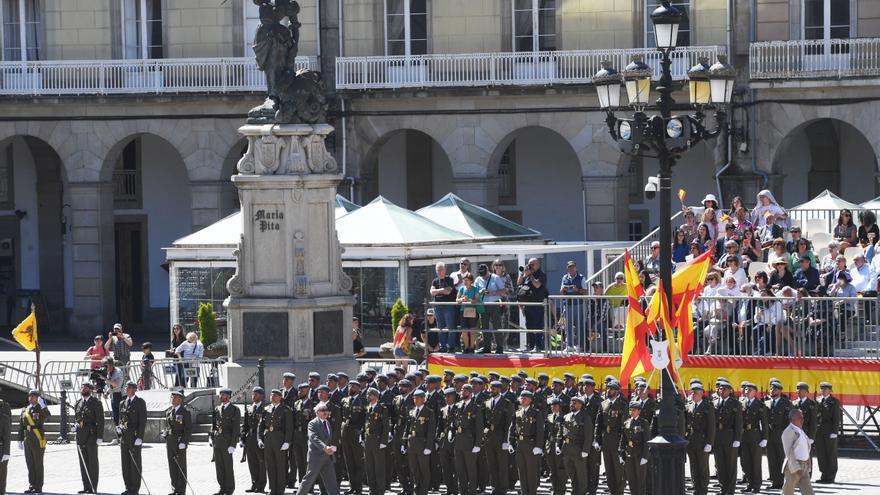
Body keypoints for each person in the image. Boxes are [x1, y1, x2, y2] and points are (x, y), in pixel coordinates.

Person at [295, 403, 341, 495]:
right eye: (322, 410)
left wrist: (332, 446)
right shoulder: (312, 423)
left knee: (331, 481)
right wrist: (324, 447)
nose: (325, 412)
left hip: (327, 457)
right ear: (317, 412)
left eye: (326, 410)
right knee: (308, 480)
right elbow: (314, 438)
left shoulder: (327, 422)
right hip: (315, 457)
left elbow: (328, 438)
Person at [508, 390, 543, 495]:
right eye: (521, 398)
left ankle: (532, 492)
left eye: (525, 398)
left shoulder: (536, 413)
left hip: (530, 444)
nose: (522, 400)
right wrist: (510, 442)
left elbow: (540, 430)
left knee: (531, 472)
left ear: (530, 400)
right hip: (519, 445)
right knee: (521, 471)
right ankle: (524, 492)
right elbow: (512, 428)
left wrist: (538, 446)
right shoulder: (517, 412)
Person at [262, 388, 294, 495]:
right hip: (268, 440)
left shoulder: (286, 410)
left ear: (280, 397)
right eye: (271, 395)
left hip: (280, 440)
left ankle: (280, 489)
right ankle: (273, 488)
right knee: (270, 465)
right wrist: (259, 438)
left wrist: (287, 441)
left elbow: (289, 427)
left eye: (275, 395)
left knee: (280, 465)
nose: (273, 397)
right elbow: (260, 426)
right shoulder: (266, 409)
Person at [559, 395, 592, 495]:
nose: (572, 405)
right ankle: (575, 491)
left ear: (580, 405)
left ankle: (581, 492)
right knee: (572, 474)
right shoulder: (567, 416)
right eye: (571, 403)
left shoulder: (585, 417)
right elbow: (562, 433)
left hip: (578, 450)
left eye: (574, 403)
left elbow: (588, 435)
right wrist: (559, 445)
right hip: (567, 449)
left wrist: (585, 450)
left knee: (581, 475)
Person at [685, 382, 715, 495]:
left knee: (702, 467)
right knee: (693, 466)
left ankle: (703, 489)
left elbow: (711, 427)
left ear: (701, 393)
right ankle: (696, 488)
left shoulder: (707, 407)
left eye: (695, 392)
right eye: (691, 392)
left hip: (702, 441)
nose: (693, 394)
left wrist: (709, 443)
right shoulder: (689, 406)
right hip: (691, 441)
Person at [74, 382, 103, 494]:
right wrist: (75, 425)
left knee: (92, 462)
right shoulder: (78, 403)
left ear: (90, 390)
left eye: (85, 387)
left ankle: (93, 486)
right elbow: (77, 418)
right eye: (81, 387)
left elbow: (100, 421)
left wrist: (100, 436)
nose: (83, 389)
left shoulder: (95, 403)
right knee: (83, 462)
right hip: (81, 435)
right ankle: (86, 486)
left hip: (91, 435)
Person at [714, 380, 743, 495]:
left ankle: (730, 490)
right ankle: (723, 488)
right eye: (720, 388)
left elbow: (739, 423)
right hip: (718, 437)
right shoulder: (715, 402)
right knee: (720, 464)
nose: (722, 391)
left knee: (730, 465)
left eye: (724, 388)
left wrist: (737, 439)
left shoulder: (735, 403)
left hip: (730, 437)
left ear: (730, 390)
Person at [118, 381, 147, 495]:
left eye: (129, 387)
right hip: (124, 436)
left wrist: (140, 437)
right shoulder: (122, 403)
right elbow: (121, 419)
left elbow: (143, 420)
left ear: (134, 389)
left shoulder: (139, 402)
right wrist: (119, 428)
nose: (126, 389)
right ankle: (128, 486)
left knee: (135, 462)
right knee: (125, 463)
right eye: (126, 387)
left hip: (134, 436)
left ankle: (135, 488)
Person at [599, 380, 627, 495]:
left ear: (617, 391)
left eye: (611, 389)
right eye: (608, 388)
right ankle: (612, 491)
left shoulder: (623, 404)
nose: (608, 390)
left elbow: (624, 426)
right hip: (606, 440)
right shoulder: (603, 403)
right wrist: (597, 439)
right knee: (609, 468)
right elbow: (598, 423)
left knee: (618, 470)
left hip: (617, 441)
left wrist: (622, 445)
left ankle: (619, 492)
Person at [740, 382, 769, 493]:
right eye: (746, 389)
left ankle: (756, 485)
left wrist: (765, 438)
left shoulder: (760, 405)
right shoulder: (741, 403)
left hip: (755, 435)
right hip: (744, 436)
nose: (746, 391)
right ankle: (749, 483)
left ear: (754, 392)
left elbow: (764, 422)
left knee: (755, 462)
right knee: (745, 462)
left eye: (749, 390)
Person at [340, 380, 367, 495]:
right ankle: (352, 486)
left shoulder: (363, 400)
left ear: (358, 388)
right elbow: (342, 416)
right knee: (348, 461)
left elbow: (365, 418)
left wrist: (362, 432)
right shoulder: (344, 400)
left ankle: (358, 487)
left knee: (358, 461)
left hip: (356, 433)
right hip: (345, 432)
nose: (351, 388)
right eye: (350, 386)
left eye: (354, 386)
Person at [19, 390, 48, 494]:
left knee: (38, 463)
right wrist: (20, 439)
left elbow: (47, 416)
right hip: (28, 439)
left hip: (38, 438)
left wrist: (43, 405)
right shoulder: (25, 409)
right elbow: (21, 426)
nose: (31, 398)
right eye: (30, 396)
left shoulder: (40, 408)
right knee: (30, 463)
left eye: (33, 396)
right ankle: (32, 485)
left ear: (37, 398)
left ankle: (38, 486)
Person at [212, 388, 241, 495]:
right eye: (220, 394)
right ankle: (222, 487)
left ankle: (229, 489)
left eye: (223, 395)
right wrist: (211, 437)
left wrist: (233, 444)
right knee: (219, 466)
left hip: (227, 441)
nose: (220, 396)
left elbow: (236, 428)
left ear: (228, 396)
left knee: (228, 466)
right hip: (218, 441)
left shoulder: (234, 410)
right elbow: (214, 425)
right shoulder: (217, 409)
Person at [406, 389, 435, 495]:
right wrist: (405, 442)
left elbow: (431, 431)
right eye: (414, 398)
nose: (415, 400)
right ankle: (416, 489)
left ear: (423, 399)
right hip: (412, 443)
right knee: (414, 469)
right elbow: (407, 428)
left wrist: (429, 446)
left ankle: (424, 490)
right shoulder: (411, 411)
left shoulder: (429, 412)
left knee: (424, 470)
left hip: (422, 444)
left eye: (418, 398)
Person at [163, 389, 191, 495]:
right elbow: (167, 426)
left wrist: (184, 442)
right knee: (172, 466)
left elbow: (188, 429)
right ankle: (174, 488)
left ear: (180, 399)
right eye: (172, 397)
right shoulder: (169, 412)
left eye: (175, 397)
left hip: (180, 442)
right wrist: (165, 433)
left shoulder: (185, 412)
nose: (173, 399)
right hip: (170, 442)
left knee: (181, 466)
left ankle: (181, 490)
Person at [766, 380, 793, 490]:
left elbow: (790, 421)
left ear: (780, 391)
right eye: (771, 388)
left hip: (782, 435)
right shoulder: (767, 403)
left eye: (775, 389)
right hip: (770, 434)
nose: (772, 390)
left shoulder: (786, 404)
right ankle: (774, 481)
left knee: (782, 459)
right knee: (771, 459)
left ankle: (783, 482)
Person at [476, 263, 508, 354]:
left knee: (497, 326)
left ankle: (499, 347)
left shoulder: (495, 277)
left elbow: (503, 291)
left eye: (485, 274)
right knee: (484, 326)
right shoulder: (478, 279)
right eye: (482, 274)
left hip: (494, 304)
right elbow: (475, 291)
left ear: (488, 270)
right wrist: (480, 291)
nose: (484, 276)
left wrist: (493, 293)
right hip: (483, 304)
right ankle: (487, 347)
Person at [517, 258, 548, 351]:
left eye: (533, 264)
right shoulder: (527, 274)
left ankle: (538, 346)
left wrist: (530, 275)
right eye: (529, 264)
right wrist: (523, 274)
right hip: (528, 304)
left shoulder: (541, 274)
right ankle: (531, 345)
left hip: (537, 304)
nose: (531, 266)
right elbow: (519, 282)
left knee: (537, 326)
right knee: (529, 325)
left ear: (538, 264)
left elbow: (537, 285)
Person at [363, 387, 390, 495]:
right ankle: (372, 490)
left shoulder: (382, 408)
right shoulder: (368, 407)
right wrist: (362, 436)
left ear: (375, 396)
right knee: (369, 467)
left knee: (379, 467)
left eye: (370, 394)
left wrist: (384, 441)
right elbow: (365, 424)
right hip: (368, 440)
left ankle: (380, 490)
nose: (367, 396)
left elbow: (386, 426)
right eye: (367, 394)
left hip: (378, 440)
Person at [781, 409, 814, 495]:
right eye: (800, 417)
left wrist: (807, 464)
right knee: (788, 492)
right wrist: (796, 469)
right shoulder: (788, 431)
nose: (802, 419)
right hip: (793, 467)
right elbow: (789, 453)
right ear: (792, 419)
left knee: (809, 492)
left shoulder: (799, 429)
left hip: (804, 466)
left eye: (802, 417)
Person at [620, 401, 649, 495]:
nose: (632, 412)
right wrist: (621, 453)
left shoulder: (644, 423)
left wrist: (645, 456)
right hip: (629, 454)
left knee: (640, 480)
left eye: (634, 410)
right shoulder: (627, 422)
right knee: (631, 479)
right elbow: (623, 439)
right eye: (630, 410)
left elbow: (646, 440)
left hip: (639, 454)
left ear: (639, 411)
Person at [242, 386, 268, 494]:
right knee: (252, 462)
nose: (253, 396)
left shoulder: (265, 408)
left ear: (261, 396)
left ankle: (261, 485)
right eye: (252, 394)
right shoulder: (249, 408)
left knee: (261, 462)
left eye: (256, 394)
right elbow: (245, 425)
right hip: (250, 438)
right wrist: (243, 436)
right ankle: (254, 483)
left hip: (260, 438)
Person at [815, 382, 842, 484]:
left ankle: (830, 476)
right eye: (821, 388)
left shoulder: (834, 402)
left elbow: (836, 418)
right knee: (821, 454)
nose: (822, 390)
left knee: (830, 454)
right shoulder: (817, 400)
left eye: (825, 389)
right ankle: (823, 475)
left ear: (830, 390)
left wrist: (835, 431)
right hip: (819, 431)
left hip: (829, 431)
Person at [559, 260, 587, 351]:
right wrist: (564, 289)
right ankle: (569, 346)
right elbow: (561, 291)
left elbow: (585, 292)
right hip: (567, 304)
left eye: (573, 267)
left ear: (576, 267)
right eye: (569, 267)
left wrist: (577, 289)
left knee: (579, 325)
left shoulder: (581, 277)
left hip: (578, 304)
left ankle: (579, 345)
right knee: (568, 326)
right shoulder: (564, 277)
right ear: (567, 268)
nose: (571, 269)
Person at [430, 262, 458, 352]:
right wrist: (442, 290)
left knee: (450, 327)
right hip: (438, 306)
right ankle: (442, 347)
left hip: (448, 306)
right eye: (437, 270)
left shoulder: (449, 280)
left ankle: (451, 347)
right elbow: (432, 292)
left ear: (445, 270)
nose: (439, 271)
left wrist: (437, 291)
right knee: (440, 327)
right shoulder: (434, 281)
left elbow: (448, 292)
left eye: (441, 269)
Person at [456, 273, 483, 353]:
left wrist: (469, 300)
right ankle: (466, 347)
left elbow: (477, 300)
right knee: (464, 330)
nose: (465, 282)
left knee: (472, 330)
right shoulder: (461, 289)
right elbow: (457, 300)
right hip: (463, 312)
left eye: (467, 280)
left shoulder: (475, 289)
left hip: (473, 312)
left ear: (471, 281)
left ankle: (472, 347)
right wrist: (462, 300)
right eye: (464, 280)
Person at [102, 356, 125, 430]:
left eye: (106, 365)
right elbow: (109, 385)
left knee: (121, 416)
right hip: (113, 395)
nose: (105, 367)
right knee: (115, 417)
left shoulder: (118, 372)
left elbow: (116, 384)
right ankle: (117, 436)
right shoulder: (108, 372)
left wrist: (105, 379)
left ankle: (123, 436)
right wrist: (106, 392)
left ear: (111, 364)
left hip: (120, 396)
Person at [0, 395, 9, 495]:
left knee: (2, 474)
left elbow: (7, 437)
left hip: (1, 449)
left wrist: (6, 452)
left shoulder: (4, 418)